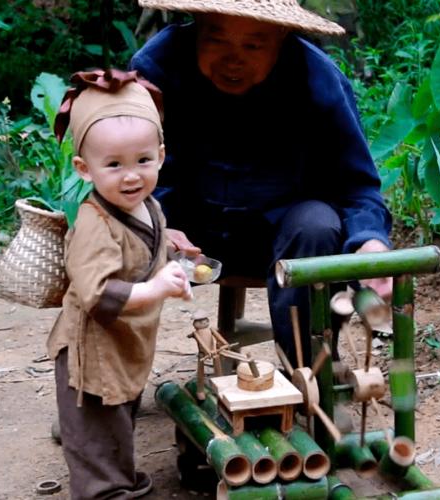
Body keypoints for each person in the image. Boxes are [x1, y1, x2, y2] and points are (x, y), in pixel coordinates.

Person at [130, 0, 393, 369]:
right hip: (186, 235)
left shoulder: (317, 78)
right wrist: (157, 220)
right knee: (114, 231)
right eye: (217, 40)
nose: (233, 59)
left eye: (253, 45)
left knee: (317, 224)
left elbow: (356, 185)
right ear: (197, 24)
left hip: (283, 237)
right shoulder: (158, 66)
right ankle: (105, 397)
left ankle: (309, 372)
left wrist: (370, 242)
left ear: (283, 36)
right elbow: (121, 163)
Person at [46, 69, 191, 499]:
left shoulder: (148, 206)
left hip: (124, 343)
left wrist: (177, 258)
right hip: (92, 350)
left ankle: (113, 475)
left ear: (161, 155)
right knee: (97, 434)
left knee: (116, 420)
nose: (131, 176)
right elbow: (99, 292)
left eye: (143, 160)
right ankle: (104, 493)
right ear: (84, 168)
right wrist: (159, 288)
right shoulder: (94, 223)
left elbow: (150, 248)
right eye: (113, 165)